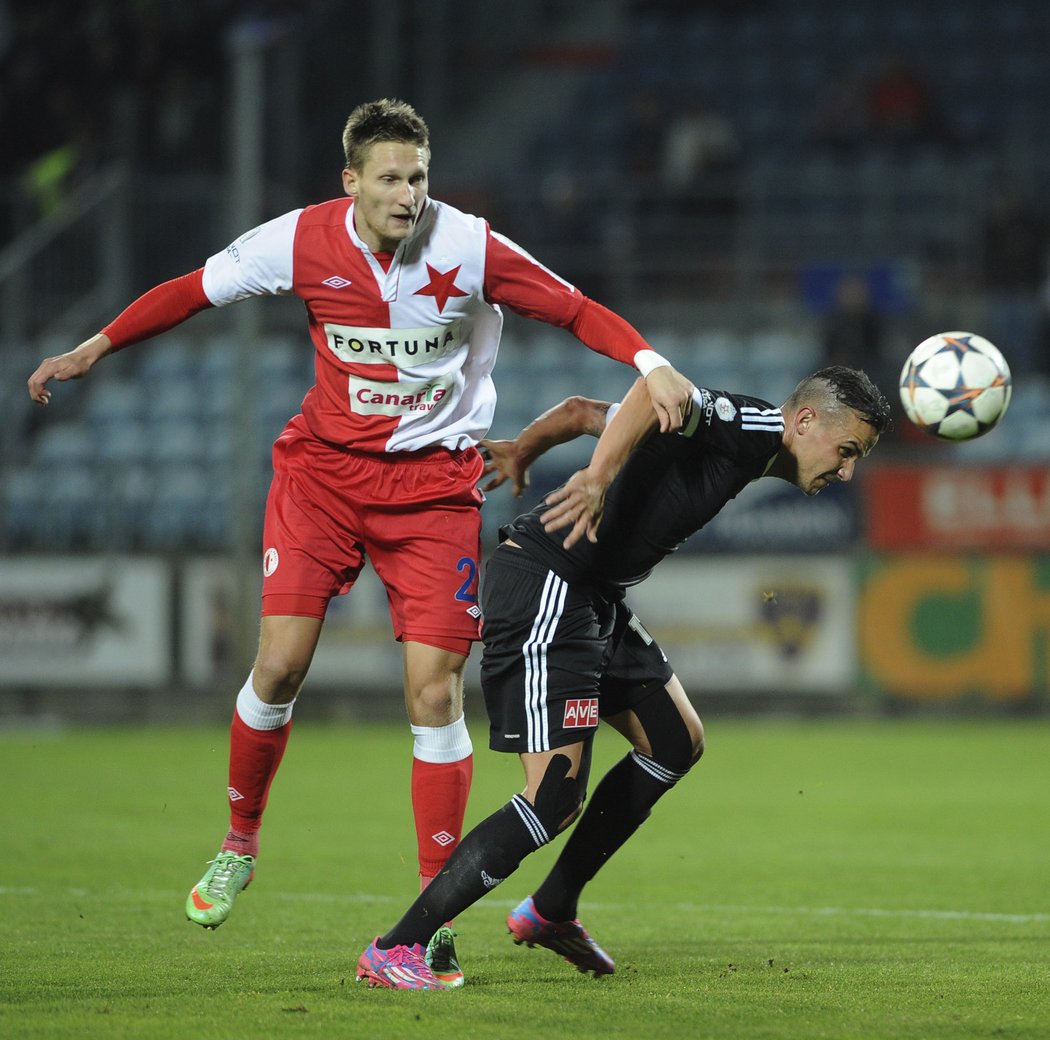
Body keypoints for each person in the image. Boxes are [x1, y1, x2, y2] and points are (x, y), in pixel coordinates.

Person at [26, 98, 693, 987]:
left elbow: (575, 311)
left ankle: (434, 911)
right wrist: (92, 349)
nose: (408, 194)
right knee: (280, 667)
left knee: (433, 694)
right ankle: (239, 841)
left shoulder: (470, 247)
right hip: (322, 480)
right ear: (352, 182)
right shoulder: (297, 241)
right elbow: (191, 290)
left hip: (433, 495)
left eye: (418, 177)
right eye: (390, 178)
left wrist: (649, 364)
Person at [356, 365, 889, 989]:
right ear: (803, 422)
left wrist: (524, 449)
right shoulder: (749, 424)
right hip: (550, 586)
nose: (847, 471)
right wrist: (596, 477)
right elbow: (651, 388)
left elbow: (585, 409)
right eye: (847, 451)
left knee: (674, 741)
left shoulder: (738, 447)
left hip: (596, 597)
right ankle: (397, 947)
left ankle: (551, 909)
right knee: (553, 798)